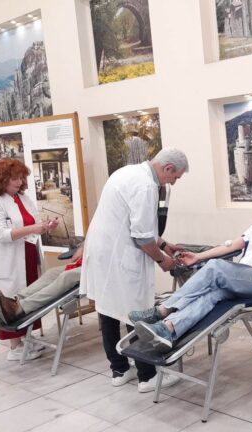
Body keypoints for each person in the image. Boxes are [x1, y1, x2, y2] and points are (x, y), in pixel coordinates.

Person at [130, 180, 252, 352]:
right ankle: (169, 329)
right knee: (211, 294)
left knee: (215, 267)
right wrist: (197, 257)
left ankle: (163, 310)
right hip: (241, 279)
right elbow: (231, 246)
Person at [80, 148, 188, 394]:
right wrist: (163, 260)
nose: (173, 182)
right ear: (168, 168)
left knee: (108, 310)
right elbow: (141, 237)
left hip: (104, 252)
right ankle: (147, 376)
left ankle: (119, 370)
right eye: (175, 177)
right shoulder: (146, 186)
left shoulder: (126, 173)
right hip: (120, 256)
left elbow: (137, 225)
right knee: (137, 313)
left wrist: (164, 244)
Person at [0, 159, 59, 361]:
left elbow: (34, 222)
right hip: (9, 261)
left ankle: (27, 338)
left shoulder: (22, 198)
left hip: (29, 255)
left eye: (21, 178)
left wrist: (46, 226)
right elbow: (1, 234)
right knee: (9, 301)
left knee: (28, 298)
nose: (19, 182)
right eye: (15, 178)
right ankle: (15, 347)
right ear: (1, 179)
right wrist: (34, 228)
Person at [0, 240, 84, 324]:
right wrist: (82, 248)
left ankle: (20, 308)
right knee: (51, 273)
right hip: (85, 263)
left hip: (93, 268)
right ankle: (16, 301)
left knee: (67, 276)